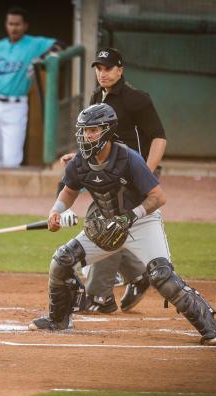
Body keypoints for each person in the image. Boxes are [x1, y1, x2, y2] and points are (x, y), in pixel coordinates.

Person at [29, 103, 216, 346]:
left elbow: (158, 197)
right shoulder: (79, 161)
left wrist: (130, 217)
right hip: (107, 225)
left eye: (93, 130)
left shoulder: (128, 158)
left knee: (162, 275)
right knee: (62, 260)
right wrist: (56, 211)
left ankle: (211, 327)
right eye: (84, 130)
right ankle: (59, 320)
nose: (87, 135)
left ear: (107, 131)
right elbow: (69, 191)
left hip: (142, 220)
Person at [58, 47, 168, 314]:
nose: (102, 73)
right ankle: (137, 274)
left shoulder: (136, 99)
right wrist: (81, 157)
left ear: (120, 70)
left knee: (106, 225)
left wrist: (146, 172)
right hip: (109, 175)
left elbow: (159, 137)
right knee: (109, 226)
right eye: (98, 68)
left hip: (134, 176)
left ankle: (100, 295)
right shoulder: (98, 97)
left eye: (107, 68)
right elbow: (100, 140)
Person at [0, 6, 61, 167]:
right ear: (6, 25)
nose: (14, 28)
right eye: (10, 24)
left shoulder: (34, 43)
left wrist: (42, 59)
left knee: (11, 160)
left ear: (25, 26)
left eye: (17, 24)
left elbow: (60, 45)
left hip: (16, 106)